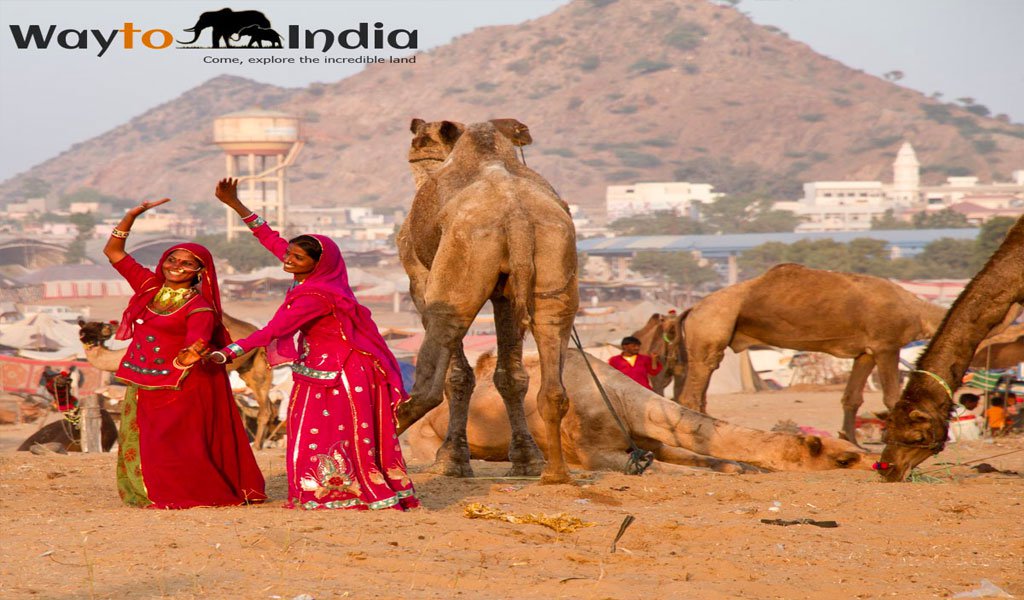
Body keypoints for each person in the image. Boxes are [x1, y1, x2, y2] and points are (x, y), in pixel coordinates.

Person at [211, 178, 418, 511]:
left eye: (297, 258)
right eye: (290, 254)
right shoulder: (315, 275)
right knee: (319, 431)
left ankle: (344, 493)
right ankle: (340, 490)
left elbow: (273, 330)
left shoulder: (316, 295)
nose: (288, 260)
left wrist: (230, 351)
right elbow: (271, 240)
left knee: (330, 433)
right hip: (321, 367)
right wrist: (235, 205)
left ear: (315, 263)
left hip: (342, 372)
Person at [104, 197, 266, 509]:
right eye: (172, 260)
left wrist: (192, 352)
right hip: (144, 379)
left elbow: (199, 338)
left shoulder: (198, 305)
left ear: (200, 272)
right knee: (146, 438)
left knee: (174, 442)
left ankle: (180, 492)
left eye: (187, 264)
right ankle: (149, 490)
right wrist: (130, 217)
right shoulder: (148, 287)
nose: (177, 267)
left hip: (181, 383)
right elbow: (113, 252)